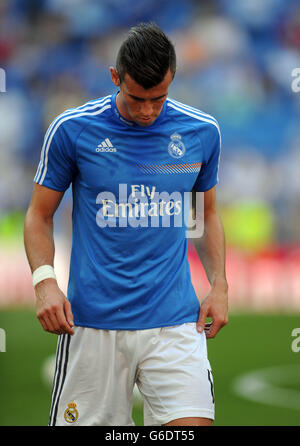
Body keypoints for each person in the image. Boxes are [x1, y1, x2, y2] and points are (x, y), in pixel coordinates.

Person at [24, 22, 228, 427]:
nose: (149, 110)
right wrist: (45, 281)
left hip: (175, 324)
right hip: (92, 325)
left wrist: (219, 284)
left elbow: (203, 215)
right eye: (137, 98)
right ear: (115, 78)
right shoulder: (73, 130)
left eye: (159, 98)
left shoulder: (201, 133)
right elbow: (39, 214)